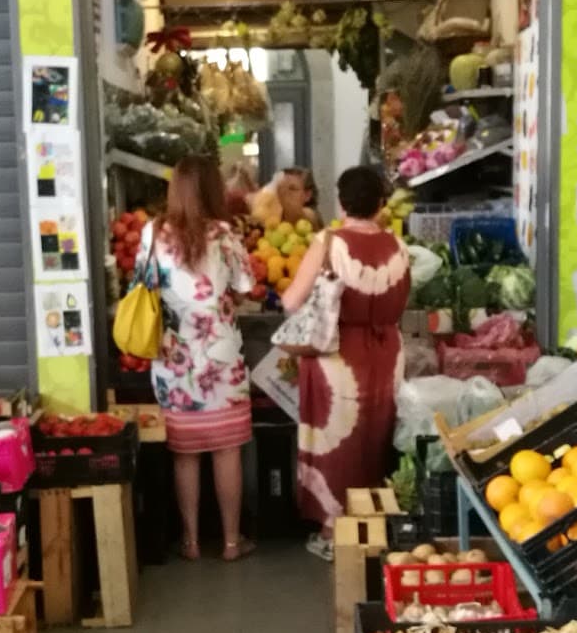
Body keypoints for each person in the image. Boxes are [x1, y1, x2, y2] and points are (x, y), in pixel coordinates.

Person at [281, 164, 411, 560]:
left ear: (341, 200)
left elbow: (291, 301)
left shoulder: (328, 241)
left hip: (337, 355)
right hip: (387, 351)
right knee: (376, 436)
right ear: (381, 204)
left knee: (336, 440)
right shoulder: (398, 245)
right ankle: (374, 527)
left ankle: (334, 532)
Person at [132, 155, 256, 561]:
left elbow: (141, 285)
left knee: (185, 454)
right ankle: (233, 542)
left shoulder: (153, 233)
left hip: (175, 358)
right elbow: (246, 286)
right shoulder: (225, 233)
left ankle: (190, 541)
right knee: (227, 449)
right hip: (221, 356)